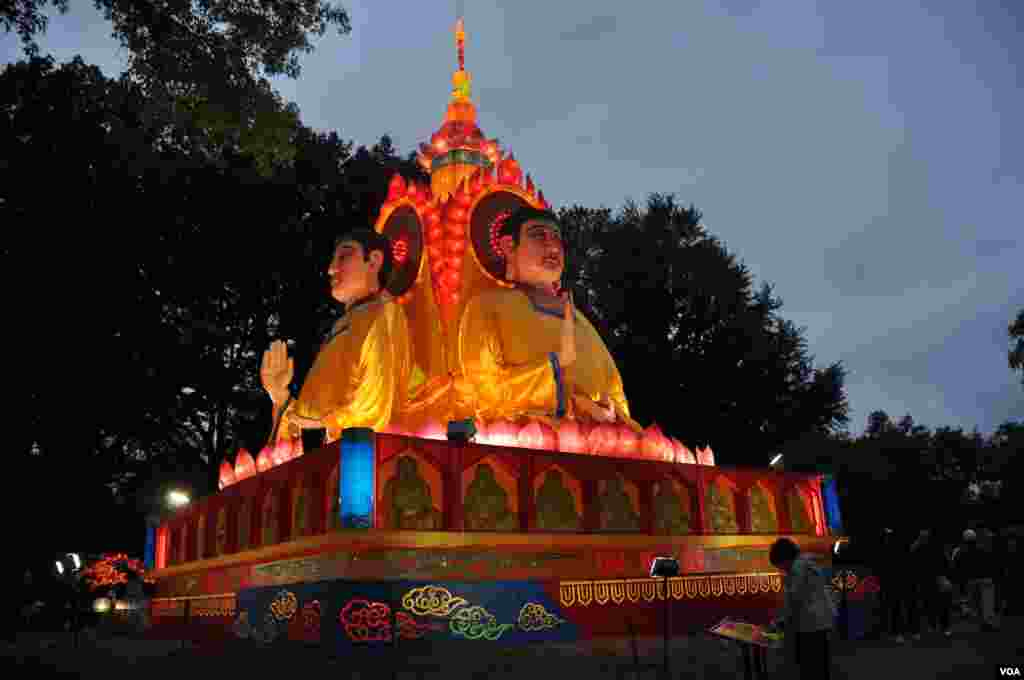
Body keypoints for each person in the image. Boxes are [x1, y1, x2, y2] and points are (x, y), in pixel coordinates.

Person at [455, 207, 641, 429]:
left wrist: (609, 411)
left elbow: (615, 391)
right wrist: (558, 376)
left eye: (556, 238)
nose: (553, 246)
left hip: (601, 440)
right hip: (526, 437)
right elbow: (485, 392)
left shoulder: (580, 320)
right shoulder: (487, 306)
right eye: (538, 235)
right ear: (508, 246)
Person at [261, 229, 413, 444]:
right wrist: (280, 397)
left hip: (368, 454)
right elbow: (307, 420)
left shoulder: (383, 313)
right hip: (334, 453)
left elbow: (375, 405)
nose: (331, 269)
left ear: (374, 261)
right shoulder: (342, 326)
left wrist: (326, 421)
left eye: (344, 256)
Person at [766, 538, 836, 680]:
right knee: (819, 664)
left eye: (779, 565)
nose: (781, 569)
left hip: (811, 623)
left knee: (811, 666)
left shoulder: (798, 568)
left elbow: (794, 598)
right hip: (818, 621)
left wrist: (780, 622)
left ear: (785, 558)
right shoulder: (805, 563)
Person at [907, 529, 953, 638]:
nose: (924, 538)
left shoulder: (935, 548)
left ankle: (944, 626)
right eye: (922, 537)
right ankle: (933, 625)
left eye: (925, 537)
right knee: (928, 604)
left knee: (941, 604)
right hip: (923, 580)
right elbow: (911, 563)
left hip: (936, 578)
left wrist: (944, 576)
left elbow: (945, 562)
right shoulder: (916, 548)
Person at [954, 528, 1000, 631]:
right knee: (987, 603)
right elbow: (992, 564)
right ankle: (987, 623)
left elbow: (957, 568)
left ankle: (983, 623)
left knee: (978, 604)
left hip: (971, 581)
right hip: (985, 579)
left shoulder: (960, 552)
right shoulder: (982, 549)